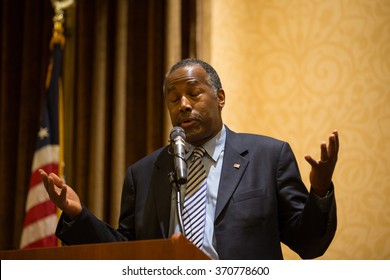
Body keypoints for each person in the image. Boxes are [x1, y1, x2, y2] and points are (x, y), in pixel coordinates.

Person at [40, 58, 339, 260]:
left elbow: (309, 243)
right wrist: (78, 215)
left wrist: (321, 191)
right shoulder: (143, 174)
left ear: (220, 97)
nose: (183, 105)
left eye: (194, 94)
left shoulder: (268, 157)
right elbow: (127, 253)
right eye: (173, 98)